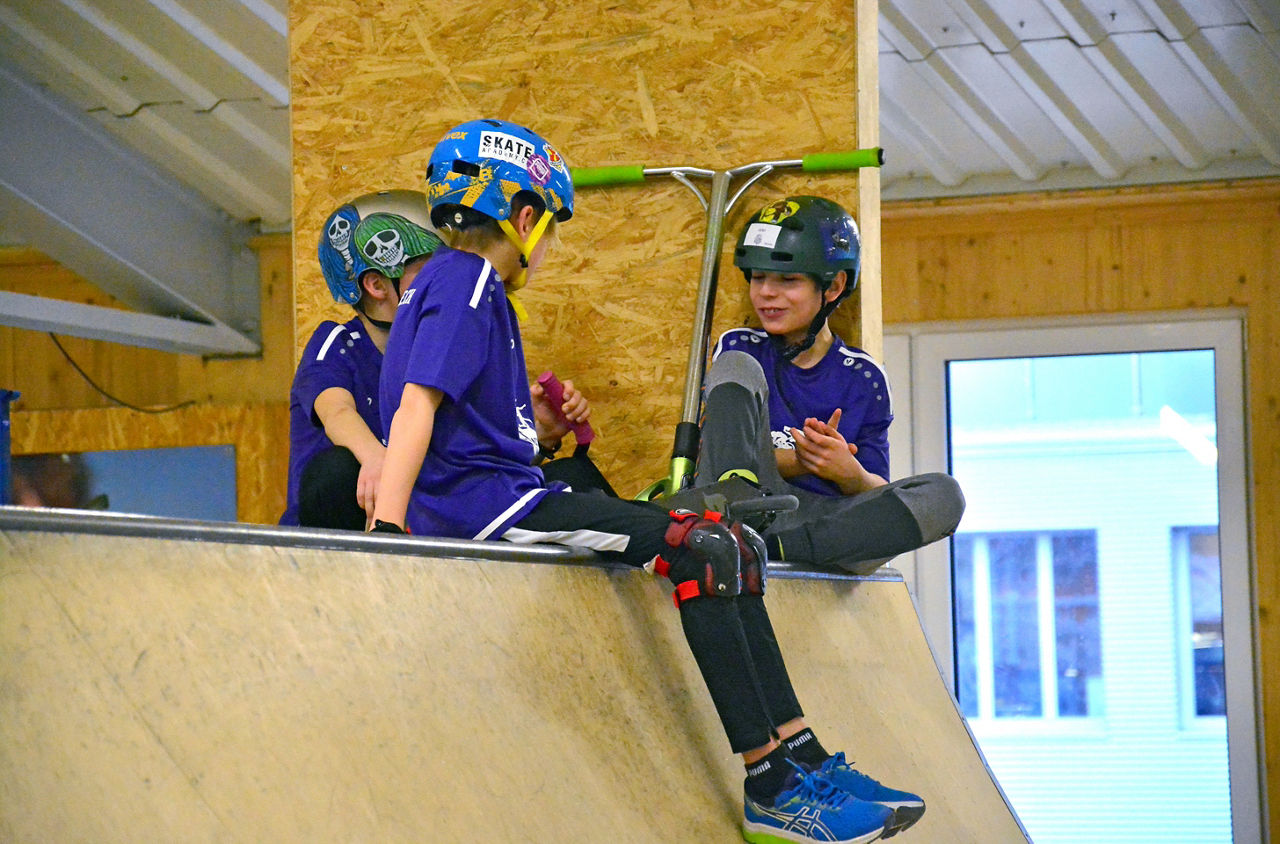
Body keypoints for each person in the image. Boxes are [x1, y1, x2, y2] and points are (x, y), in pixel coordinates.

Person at [372, 118, 918, 843]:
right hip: (489, 511)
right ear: (526, 218)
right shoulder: (468, 278)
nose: (548, 246)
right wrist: (386, 534)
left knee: (733, 542)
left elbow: (449, 423)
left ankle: (804, 756)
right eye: (551, 229)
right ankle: (772, 784)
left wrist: (537, 429)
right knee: (706, 548)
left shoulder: (451, 286)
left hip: (508, 494)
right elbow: (414, 406)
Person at [678, 195, 965, 576]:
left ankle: (771, 550)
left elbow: (876, 489)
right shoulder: (737, 346)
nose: (766, 293)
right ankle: (738, 535)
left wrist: (848, 473)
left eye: (787, 280)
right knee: (736, 366)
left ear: (833, 287)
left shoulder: (864, 377)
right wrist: (801, 461)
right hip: (744, 506)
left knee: (945, 495)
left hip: (818, 529)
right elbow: (713, 451)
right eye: (759, 278)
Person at [280, 191, 441, 530]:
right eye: (429, 270)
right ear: (377, 285)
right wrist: (377, 460)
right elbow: (336, 411)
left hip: (404, 533)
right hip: (330, 529)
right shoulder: (335, 343)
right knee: (339, 469)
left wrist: (538, 434)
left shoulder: (430, 355)